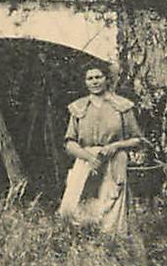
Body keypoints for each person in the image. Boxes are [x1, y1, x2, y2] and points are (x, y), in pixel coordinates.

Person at [58, 65, 146, 241]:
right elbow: (69, 142)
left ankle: (111, 243)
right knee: (71, 206)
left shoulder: (122, 106)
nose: (94, 82)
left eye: (98, 77)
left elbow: (137, 139)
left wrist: (116, 146)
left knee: (111, 204)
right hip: (86, 160)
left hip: (114, 160)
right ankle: (84, 241)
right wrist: (87, 157)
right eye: (90, 78)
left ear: (107, 79)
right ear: (85, 82)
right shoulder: (79, 108)